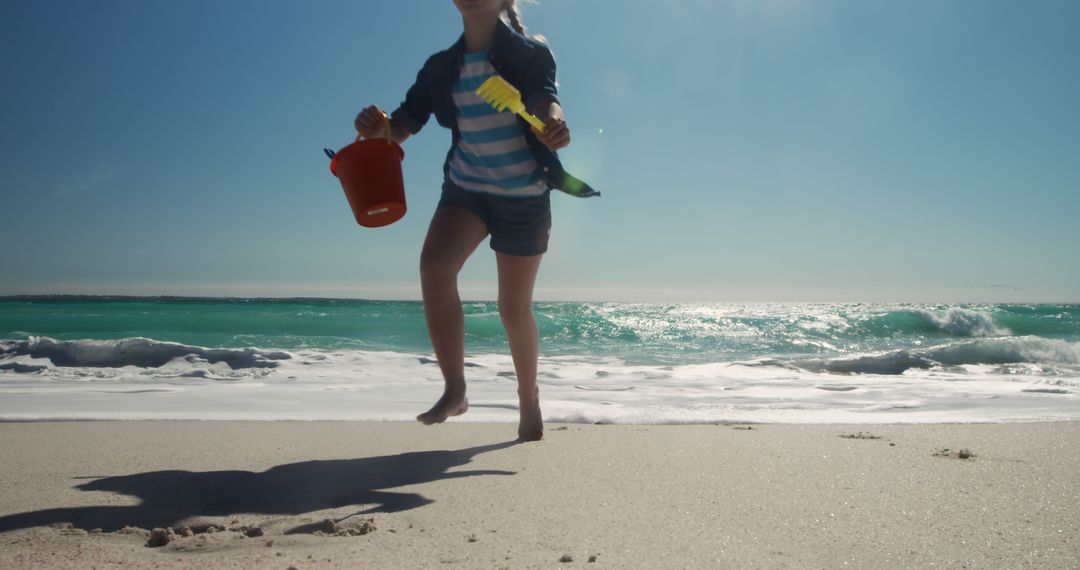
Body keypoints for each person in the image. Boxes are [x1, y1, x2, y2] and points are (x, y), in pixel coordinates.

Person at [354, 0, 597, 441]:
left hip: (524, 196)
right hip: (466, 190)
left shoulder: (530, 54)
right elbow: (402, 125)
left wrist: (554, 126)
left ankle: (528, 397)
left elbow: (546, 101)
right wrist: (377, 126)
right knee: (434, 267)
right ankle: (456, 388)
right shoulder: (440, 67)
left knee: (513, 309)